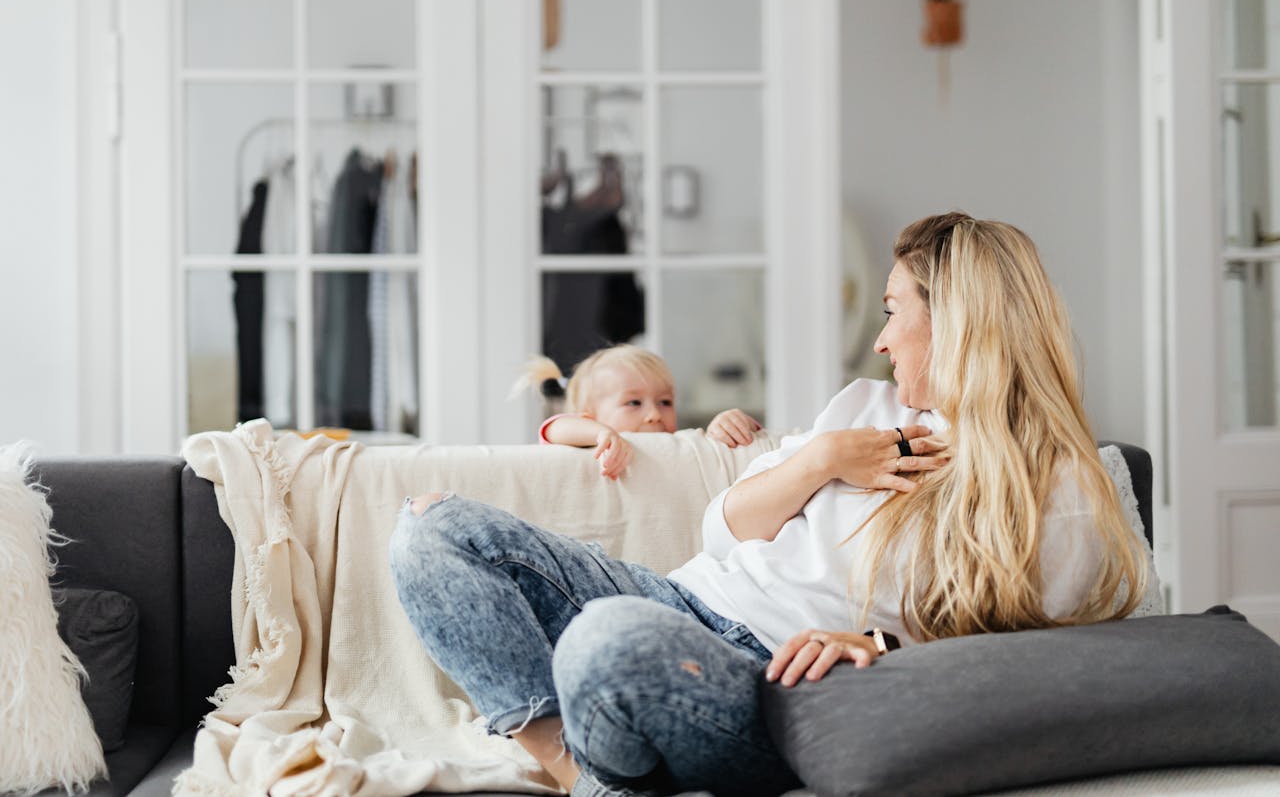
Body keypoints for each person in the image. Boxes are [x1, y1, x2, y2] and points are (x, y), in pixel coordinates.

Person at [388, 212, 1149, 797]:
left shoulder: (1060, 488)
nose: (881, 340)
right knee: (432, 529)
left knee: (605, 639)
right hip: (681, 597)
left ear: (956, 322)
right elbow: (720, 531)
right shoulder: (862, 405)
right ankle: (573, 768)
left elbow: (1047, 663)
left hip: (775, 682)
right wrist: (823, 459)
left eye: (893, 311)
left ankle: (607, 746)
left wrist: (884, 650)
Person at [514, 344, 764, 480]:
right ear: (589, 417)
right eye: (634, 403)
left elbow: (712, 451)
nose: (654, 414)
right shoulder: (591, 444)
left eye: (665, 402)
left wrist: (728, 425)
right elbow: (554, 428)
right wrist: (602, 434)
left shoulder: (679, 446)